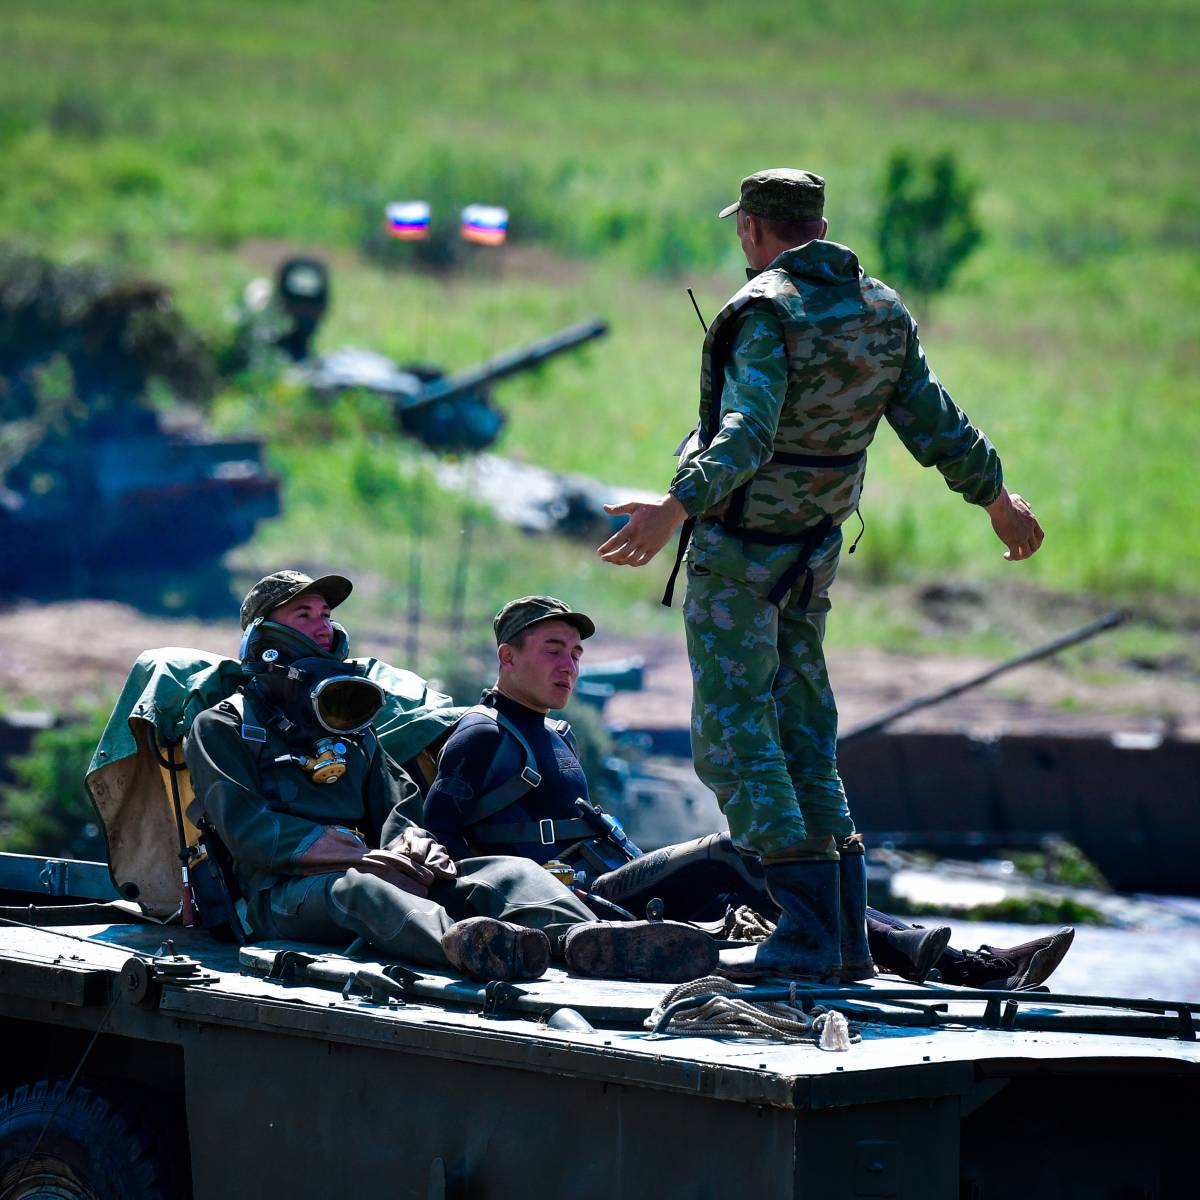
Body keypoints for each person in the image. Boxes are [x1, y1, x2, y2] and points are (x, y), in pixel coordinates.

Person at [596, 169, 1046, 981]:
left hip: (741, 553)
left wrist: (675, 507)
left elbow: (746, 436)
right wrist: (997, 497)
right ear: (823, 224)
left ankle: (805, 931)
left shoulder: (766, 311)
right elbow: (935, 420)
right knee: (805, 732)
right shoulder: (881, 308)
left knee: (737, 741)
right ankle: (841, 935)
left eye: (745, 229)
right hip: (812, 549)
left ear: (753, 230)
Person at [424, 595, 1074, 991]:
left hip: (609, 881)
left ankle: (961, 960)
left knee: (787, 858)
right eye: (551, 650)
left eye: (575, 652)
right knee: (736, 851)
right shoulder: (482, 736)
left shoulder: (556, 734)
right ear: (507, 658)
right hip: (569, 905)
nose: (568, 663)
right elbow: (440, 846)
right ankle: (916, 952)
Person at [184, 571, 712, 984]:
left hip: (379, 869)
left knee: (505, 873)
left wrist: (418, 848)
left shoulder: (348, 723)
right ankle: (472, 946)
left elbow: (393, 810)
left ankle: (586, 942)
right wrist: (363, 857)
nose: (324, 626)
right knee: (362, 891)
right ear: (267, 636)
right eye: (306, 614)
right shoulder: (225, 726)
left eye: (326, 613)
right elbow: (250, 832)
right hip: (281, 897)